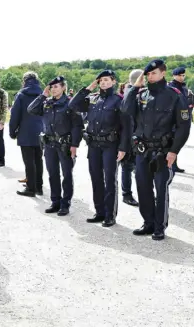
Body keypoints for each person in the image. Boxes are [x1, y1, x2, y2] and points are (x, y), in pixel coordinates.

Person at [121, 59, 191, 240]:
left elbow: (184, 126)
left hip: (162, 151)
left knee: (160, 189)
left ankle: (160, 226)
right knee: (143, 188)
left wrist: (174, 151)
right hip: (143, 151)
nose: (150, 76)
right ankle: (148, 223)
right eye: (148, 74)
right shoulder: (140, 94)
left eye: (153, 73)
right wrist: (135, 86)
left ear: (163, 73)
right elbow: (126, 109)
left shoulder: (174, 95)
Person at [69, 70, 131, 227]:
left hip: (110, 145)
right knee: (96, 179)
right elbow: (73, 105)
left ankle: (110, 215)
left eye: (106, 80)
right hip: (94, 145)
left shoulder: (119, 100)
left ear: (113, 81)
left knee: (109, 180)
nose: (103, 83)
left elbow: (126, 126)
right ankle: (100, 212)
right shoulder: (92, 99)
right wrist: (88, 88)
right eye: (100, 80)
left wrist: (123, 148)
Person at [28, 76, 83, 216]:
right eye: (51, 87)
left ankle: (65, 204)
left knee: (66, 175)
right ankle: (55, 201)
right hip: (50, 144)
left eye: (56, 87)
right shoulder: (46, 102)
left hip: (65, 144)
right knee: (53, 174)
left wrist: (74, 145)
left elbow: (77, 126)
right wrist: (43, 95)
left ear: (64, 87)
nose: (53, 89)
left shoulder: (70, 103)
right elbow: (31, 109)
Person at [9, 71, 44, 197]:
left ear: (24, 81)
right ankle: (39, 186)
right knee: (38, 159)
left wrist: (12, 131)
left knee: (28, 161)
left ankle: (31, 188)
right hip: (40, 130)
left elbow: (15, 115)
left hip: (25, 130)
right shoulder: (42, 93)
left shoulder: (21, 94)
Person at [120, 70, 143, 207]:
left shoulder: (134, 92)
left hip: (135, 135)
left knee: (134, 168)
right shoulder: (130, 93)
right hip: (130, 136)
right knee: (128, 167)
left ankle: (130, 193)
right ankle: (126, 194)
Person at [168, 67, 190, 173]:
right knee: (172, 142)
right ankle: (172, 165)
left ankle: (174, 164)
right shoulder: (170, 87)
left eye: (183, 75)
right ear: (174, 75)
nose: (182, 77)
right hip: (172, 119)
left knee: (178, 141)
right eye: (180, 75)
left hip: (182, 118)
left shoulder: (184, 88)